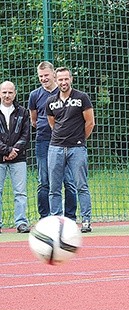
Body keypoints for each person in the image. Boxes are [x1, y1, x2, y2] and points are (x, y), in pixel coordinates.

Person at [46, 67, 95, 233]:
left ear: (71, 79)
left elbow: (90, 123)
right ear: (55, 80)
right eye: (60, 79)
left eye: (66, 79)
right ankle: (56, 222)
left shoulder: (82, 98)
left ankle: (86, 220)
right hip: (55, 148)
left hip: (77, 148)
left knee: (81, 185)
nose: (63, 82)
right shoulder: (51, 101)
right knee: (54, 187)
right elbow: (52, 123)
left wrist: (79, 139)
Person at [28, 62, 75, 221]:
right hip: (43, 141)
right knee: (44, 181)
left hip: (65, 142)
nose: (43, 79)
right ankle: (45, 217)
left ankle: (69, 217)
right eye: (40, 76)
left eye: (46, 75)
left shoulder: (65, 93)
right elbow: (33, 120)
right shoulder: (34, 95)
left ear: (54, 74)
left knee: (69, 181)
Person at [0, 81, 31, 233]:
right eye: (4, 92)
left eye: (10, 92)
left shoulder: (23, 112)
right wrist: (5, 151)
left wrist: (14, 151)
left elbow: (26, 135)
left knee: (20, 192)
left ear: (15, 93)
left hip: (18, 158)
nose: (7, 95)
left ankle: (21, 222)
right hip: (0, 158)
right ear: (0, 93)